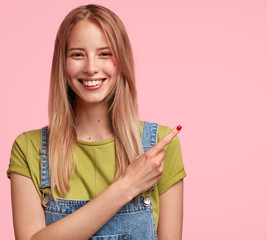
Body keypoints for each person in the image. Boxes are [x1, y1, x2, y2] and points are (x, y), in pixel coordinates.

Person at [7, 4, 186, 240]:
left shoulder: (159, 149)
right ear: (63, 63)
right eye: (78, 54)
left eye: (105, 54)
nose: (91, 68)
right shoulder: (28, 148)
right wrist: (127, 186)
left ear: (121, 61)